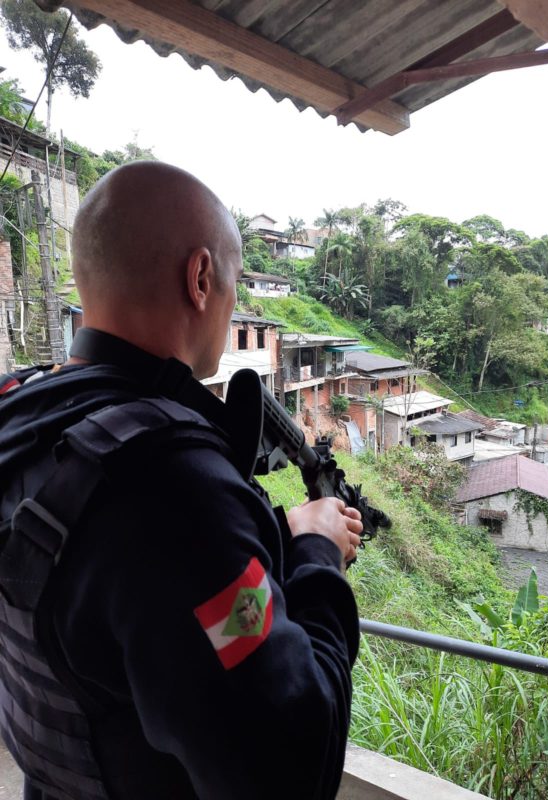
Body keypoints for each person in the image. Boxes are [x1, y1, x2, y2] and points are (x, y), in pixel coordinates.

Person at [0, 162, 362, 800]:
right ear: (200, 278)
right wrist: (318, 557)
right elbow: (294, 767)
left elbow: (104, 575)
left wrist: (273, 531)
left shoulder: (21, 412)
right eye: (233, 283)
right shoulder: (172, 484)